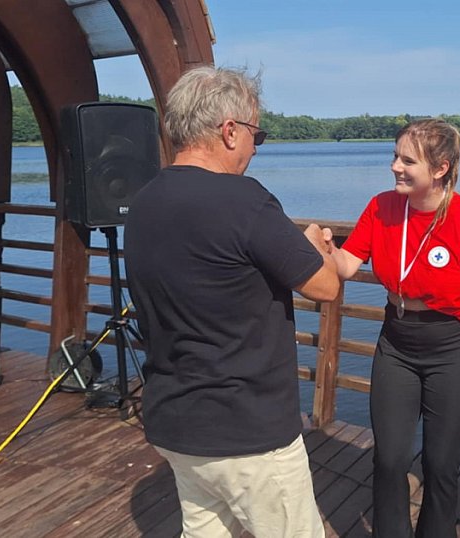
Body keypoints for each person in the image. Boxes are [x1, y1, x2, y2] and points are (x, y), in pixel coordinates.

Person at [123, 66, 338, 538]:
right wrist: (313, 246)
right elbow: (325, 286)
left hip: (177, 422)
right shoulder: (243, 201)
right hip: (247, 431)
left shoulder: (144, 203)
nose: (253, 151)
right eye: (255, 138)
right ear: (229, 131)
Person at [320, 118, 460, 537]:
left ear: (440, 168)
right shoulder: (382, 207)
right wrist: (325, 249)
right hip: (397, 341)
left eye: (408, 160)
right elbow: (348, 265)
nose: (395, 167)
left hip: (452, 345)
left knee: (441, 463)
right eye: (395, 156)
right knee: (389, 458)